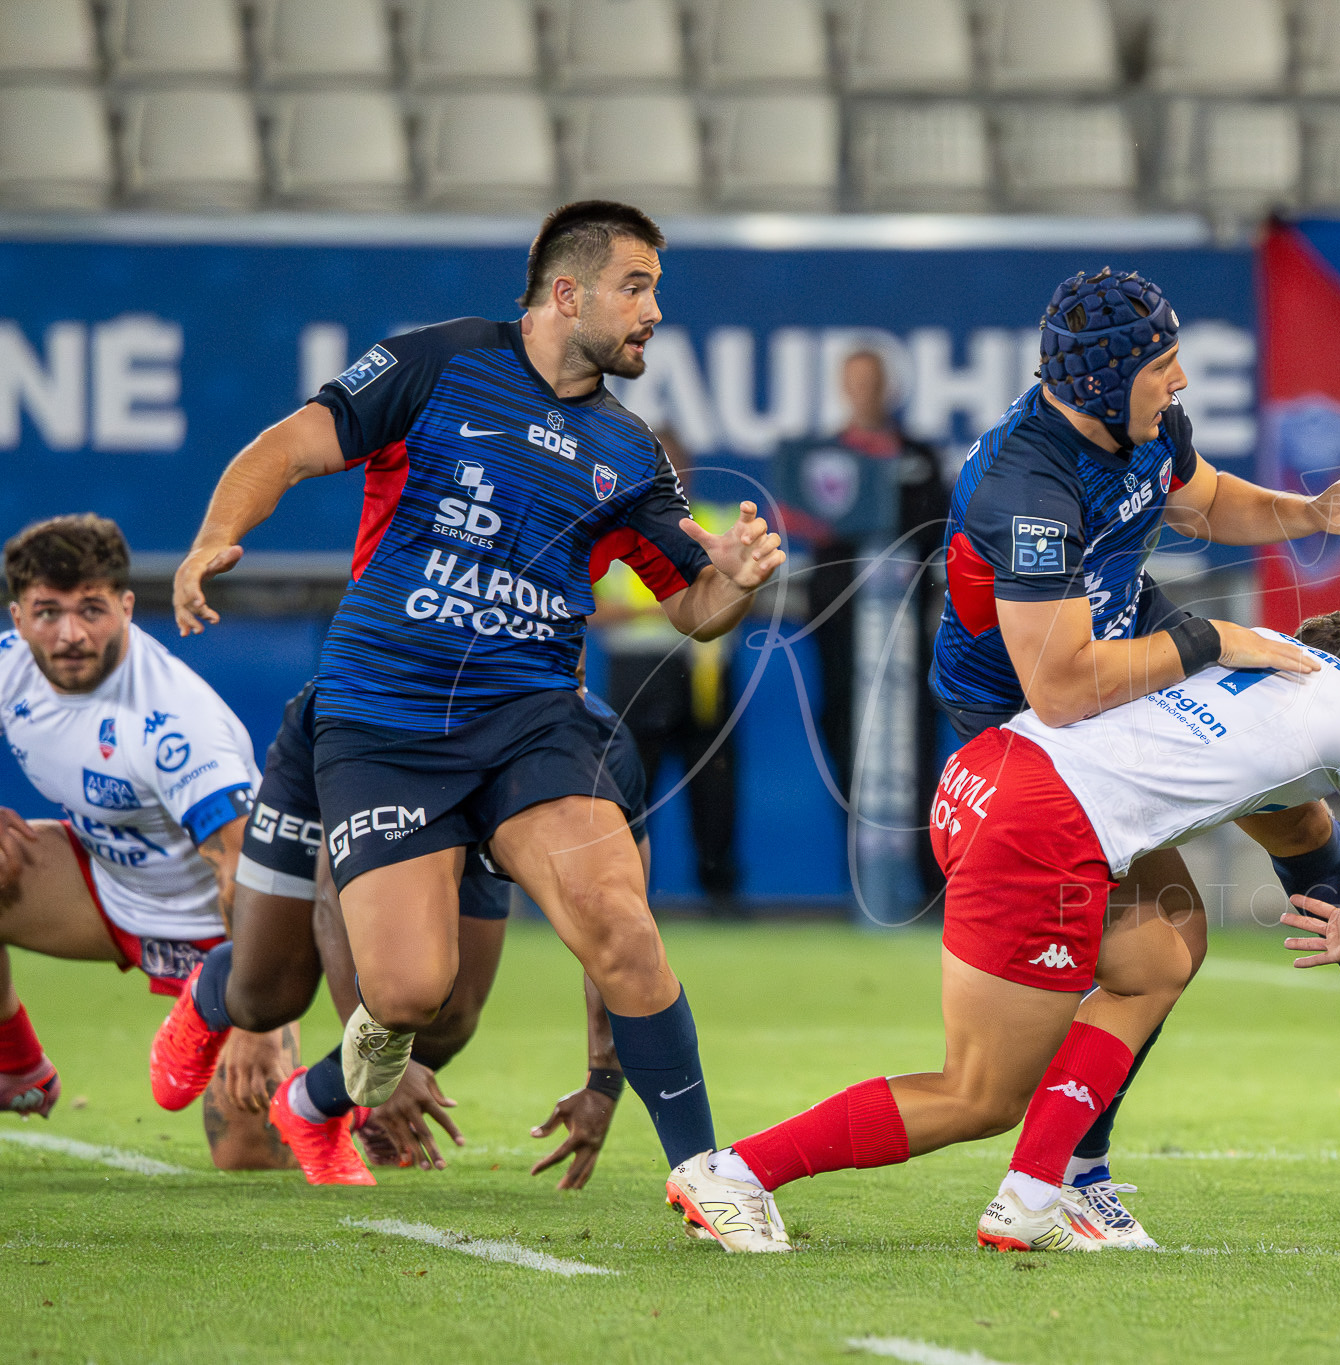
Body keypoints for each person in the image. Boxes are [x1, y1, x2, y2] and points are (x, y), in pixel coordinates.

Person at [161, 201, 784, 1212]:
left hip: (531, 717)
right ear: (568, 292)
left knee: (618, 927)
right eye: (638, 287)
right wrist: (210, 539)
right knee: (406, 995)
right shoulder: (438, 365)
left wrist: (739, 581)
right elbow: (286, 447)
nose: (654, 312)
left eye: (657, 291)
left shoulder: (629, 453)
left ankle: (709, 1177)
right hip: (386, 714)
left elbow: (692, 606)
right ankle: (316, 1095)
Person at [924, 268, 1340, 1244]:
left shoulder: (1139, 430)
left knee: (1293, 807)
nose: (1180, 383)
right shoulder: (1025, 484)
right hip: (1026, 726)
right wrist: (1211, 640)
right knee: (1146, 955)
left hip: (1120, 653)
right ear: (1099, 382)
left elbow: (1204, 501)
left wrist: (1308, 514)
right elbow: (1059, 686)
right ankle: (1070, 1172)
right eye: (1162, 365)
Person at [668, 612, 1340, 1253]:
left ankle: (1034, 1194)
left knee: (1160, 957)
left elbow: (1282, 820)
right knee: (979, 1093)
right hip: (1040, 829)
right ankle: (738, 1171)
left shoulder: (1242, 658)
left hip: (986, 768)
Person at [179, 536, 697, 1184]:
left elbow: (621, 931)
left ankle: (308, 1104)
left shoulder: (596, 749)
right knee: (266, 993)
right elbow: (334, 897)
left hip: (468, 798)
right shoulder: (414, 709)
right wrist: (377, 1057)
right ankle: (209, 993)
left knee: (447, 1024)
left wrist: (604, 1079)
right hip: (346, 746)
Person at [0, 515, 287, 1170]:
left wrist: (256, 1023)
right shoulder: (11, 669)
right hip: (102, 891)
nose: (69, 634)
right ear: (18, 616)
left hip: (220, 932)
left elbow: (246, 869)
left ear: (127, 607)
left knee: (248, 1153)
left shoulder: (174, 720)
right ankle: (15, 1066)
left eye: (91, 610)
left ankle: (341, 1097)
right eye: (48, 612)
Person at [777, 348, 951, 896]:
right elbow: (807, 520)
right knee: (844, 734)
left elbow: (936, 527)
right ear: (841, 388)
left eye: (872, 382)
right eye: (854, 383)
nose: (864, 393)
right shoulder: (822, 458)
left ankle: (922, 881)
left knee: (911, 743)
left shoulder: (917, 455)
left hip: (902, 627)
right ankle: (866, 877)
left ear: (889, 388)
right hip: (839, 626)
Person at [592, 438, 743, 915]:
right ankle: (622, 899)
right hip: (638, 671)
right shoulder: (614, 524)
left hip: (704, 674)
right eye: (661, 466)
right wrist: (664, 612)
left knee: (714, 789)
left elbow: (744, 591)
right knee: (631, 789)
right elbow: (584, 602)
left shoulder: (715, 523)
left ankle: (720, 894)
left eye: (677, 467)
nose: (670, 476)